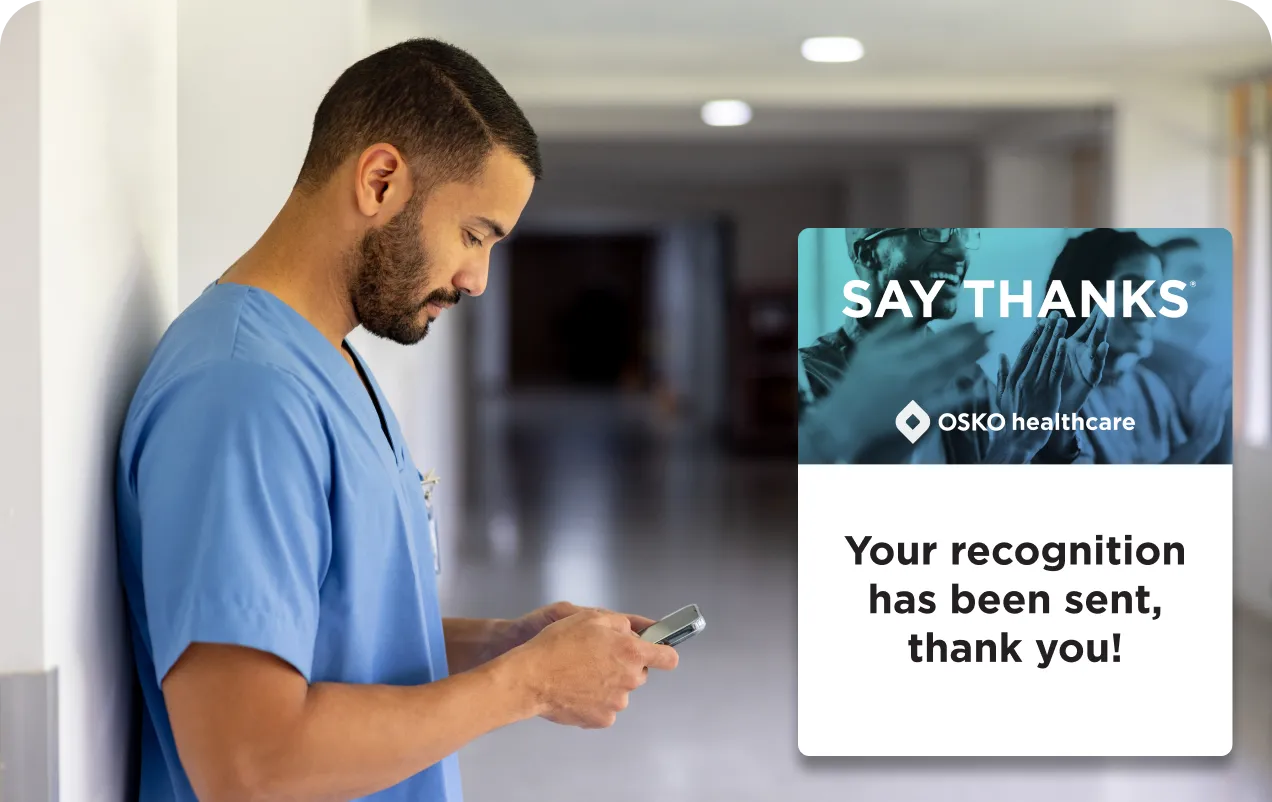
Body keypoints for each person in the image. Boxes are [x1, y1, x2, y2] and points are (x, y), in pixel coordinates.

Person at [114, 38, 678, 802]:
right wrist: (530, 685)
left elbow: (324, 634)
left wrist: (505, 643)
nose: (477, 278)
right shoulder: (243, 395)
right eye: (474, 234)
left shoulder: (328, 361)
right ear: (381, 181)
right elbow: (249, 764)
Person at [798, 227, 1110, 464]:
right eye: (932, 231)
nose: (960, 252)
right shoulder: (811, 380)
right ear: (869, 254)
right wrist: (1014, 444)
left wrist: (1056, 420)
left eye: (963, 233)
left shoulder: (970, 379)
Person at [1046, 228, 1231, 464]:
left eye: (1155, 291)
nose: (1150, 306)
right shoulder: (1050, 391)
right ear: (1082, 293)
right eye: (1132, 286)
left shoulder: (1150, 386)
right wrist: (1201, 441)